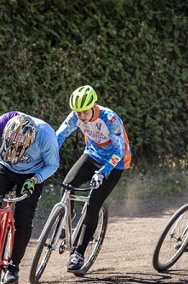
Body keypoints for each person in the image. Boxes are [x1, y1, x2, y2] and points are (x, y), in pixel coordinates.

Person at [0, 112, 59, 284]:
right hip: (4, 166)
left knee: (23, 220)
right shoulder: (5, 121)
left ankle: (13, 266)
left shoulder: (46, 136)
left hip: (31, 175)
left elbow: (53, 164)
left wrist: (36, 179)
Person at [56, 85, 132, 271]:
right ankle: (68, 217)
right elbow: (59, 136)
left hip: (114, 163)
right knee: (67, 185)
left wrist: (103, 173)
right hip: (92, 155)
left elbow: (119, 151)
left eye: (84, 112)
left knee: (92, 205)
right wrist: (47, 157)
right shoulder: (75, 116)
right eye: (77, 112)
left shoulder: (110, 119)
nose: (81, 116)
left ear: (93, 106)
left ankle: (78, 253)